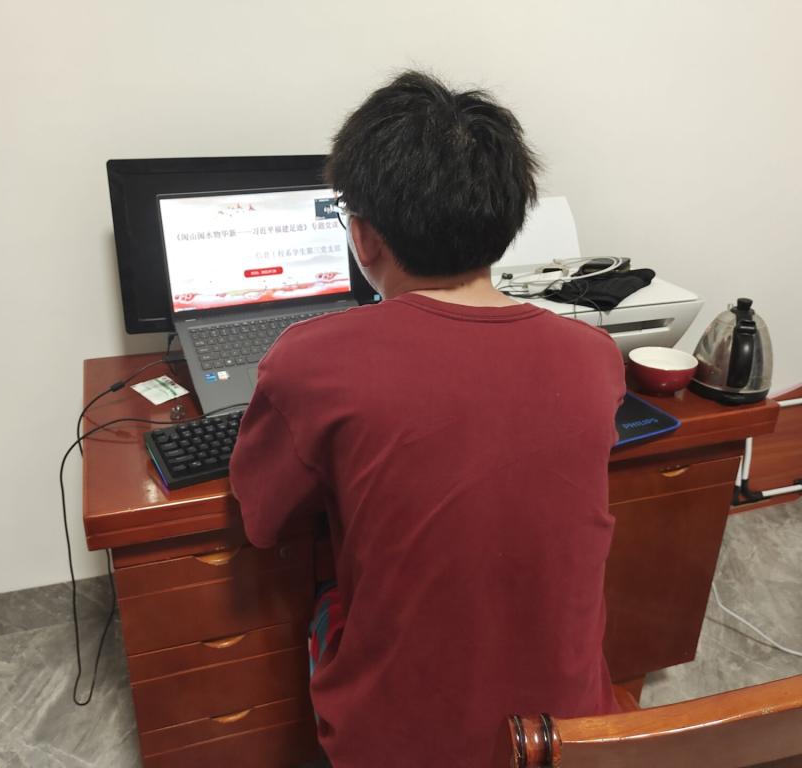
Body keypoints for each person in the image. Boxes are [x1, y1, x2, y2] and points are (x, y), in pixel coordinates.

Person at [229, 70, 624, 768]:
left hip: (397, 745)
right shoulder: (594, 357)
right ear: (507, 220)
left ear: (363, 236)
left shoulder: (311, 361)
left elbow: (263, 520)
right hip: (565, 732)